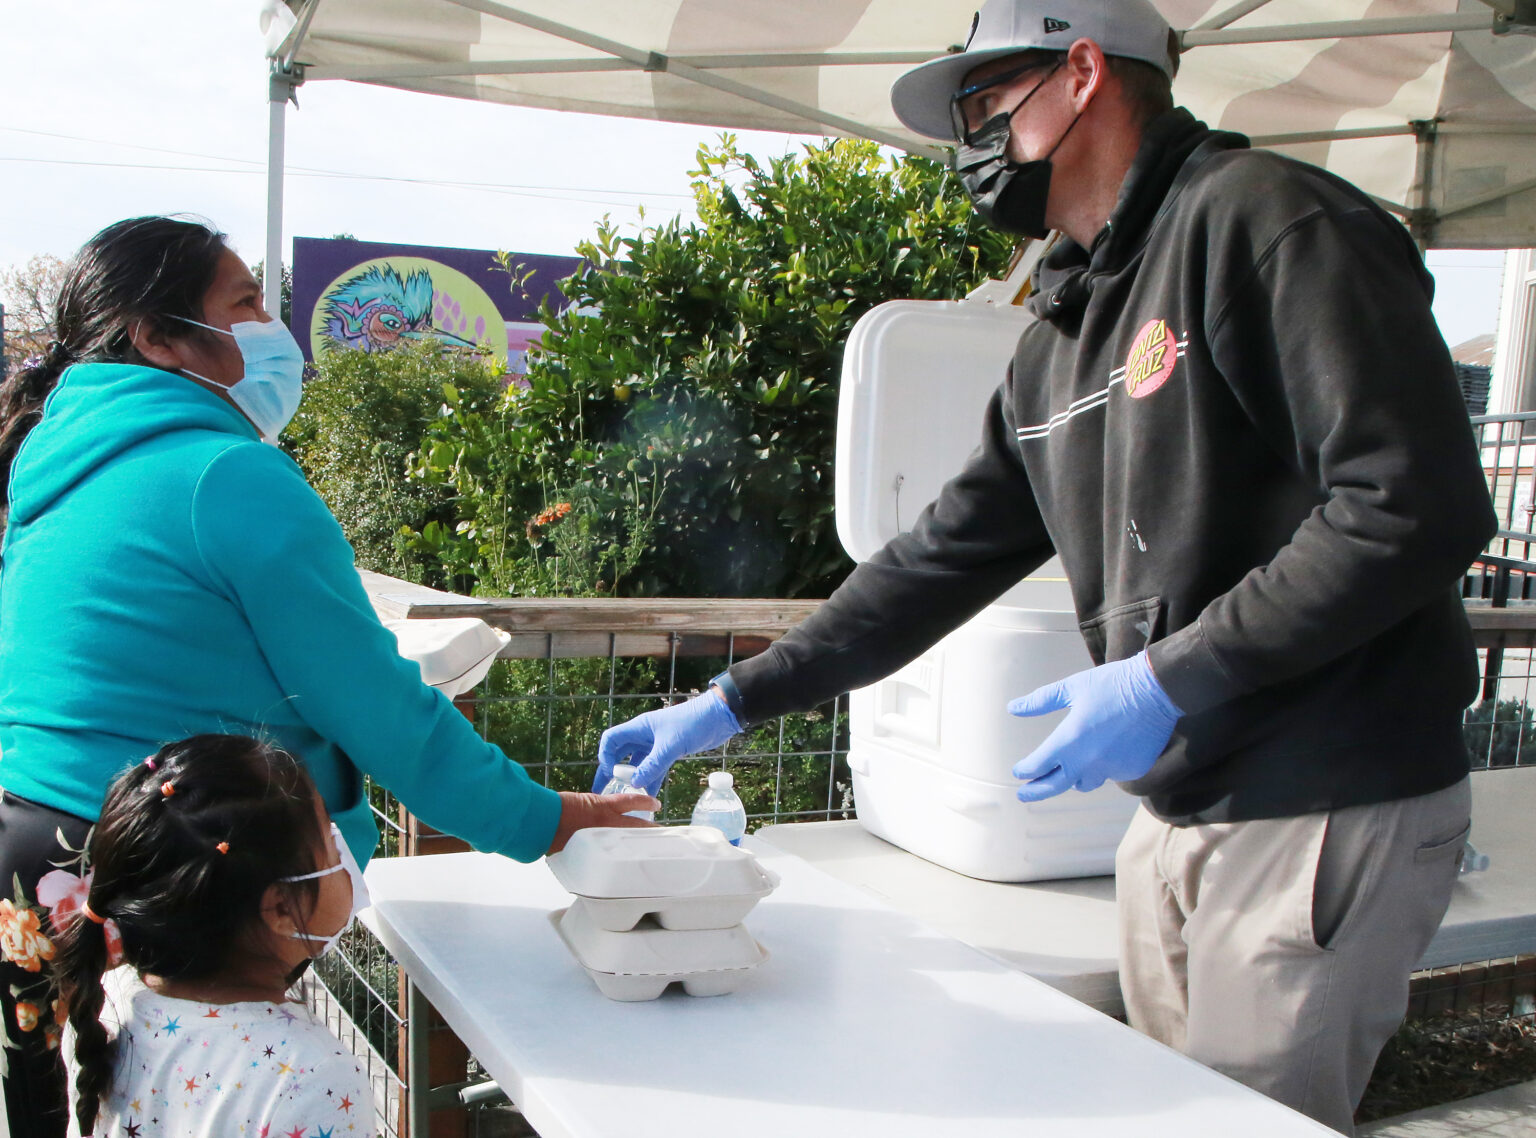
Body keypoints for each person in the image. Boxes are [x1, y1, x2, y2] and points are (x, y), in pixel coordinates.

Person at [593, 1, 1496, 1132]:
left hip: (1321, 794)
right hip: (1173, 807)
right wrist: (735, 698)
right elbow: (934, 561)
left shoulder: (1265, 222)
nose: (970, 140)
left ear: (1082, 72)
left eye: (985, 102)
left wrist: (1166, 676)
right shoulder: (1059, 338)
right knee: (1161, 1115)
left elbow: (1414, 504)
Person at [0, 216, 657, 1136]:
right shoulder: (227, 475)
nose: (272, 328)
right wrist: (544, 818)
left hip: (48, 877)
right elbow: (379, 708)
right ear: (155, 335)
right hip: (189, 882)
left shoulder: (52, 471)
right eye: (245, 304)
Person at [51, 734, 374, 1138]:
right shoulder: (313, 1077)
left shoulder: (105, 1004)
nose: (343, 853)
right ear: (279, 908)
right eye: (329, 839)